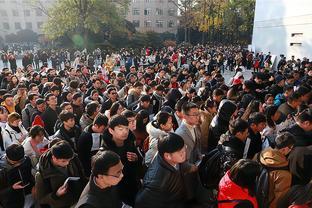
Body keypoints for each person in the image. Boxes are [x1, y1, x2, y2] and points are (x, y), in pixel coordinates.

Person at [135, 133, 189, 208]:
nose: (184, 153)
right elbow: (141, 203)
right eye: (181, 152)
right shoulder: (156, 181)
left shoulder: (167, 155)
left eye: (184, 148)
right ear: (167, 156)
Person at [102, 115, 141, 206]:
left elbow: (139, 163)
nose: (125, 132)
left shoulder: (130, 142)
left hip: (133, 185)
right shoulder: (105, 151)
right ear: (111, 130)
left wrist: (136, 159)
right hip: (117, 190)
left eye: (126, 129)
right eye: (120, 129)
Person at [35, 140, 86, 208]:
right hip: (61, 204)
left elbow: (81, 174)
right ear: (54, 158)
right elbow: (41, 199)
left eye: (69, 160)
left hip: (78, 198)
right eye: (63, 161)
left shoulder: (72, 158)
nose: (67, 163)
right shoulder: (41, 174)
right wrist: (56, 194)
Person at [255, 132, 295, 208]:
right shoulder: (284, 174)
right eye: (291, 148)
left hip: (254, 198)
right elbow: (279, 200)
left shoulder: (261, 155)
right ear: (284, 149)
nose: (291, 150)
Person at [0, 144, 35, 208]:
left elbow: (29, 175)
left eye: (21, 161)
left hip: (29, 196)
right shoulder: (2, 170)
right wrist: (12, 188)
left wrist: (34, 185)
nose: (19, 164)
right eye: (15, 163)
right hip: (11, 203)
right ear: (7, 157)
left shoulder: (26, 159)